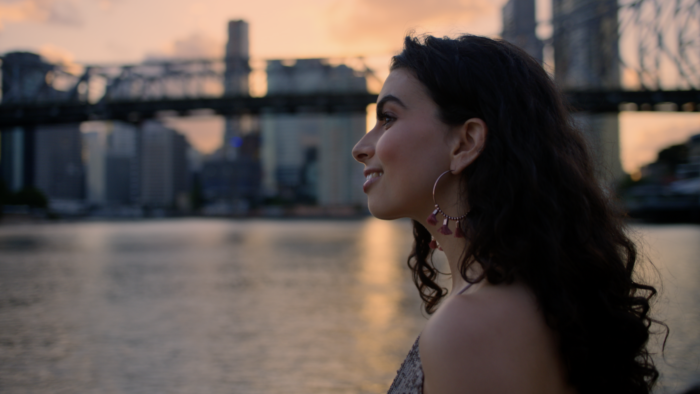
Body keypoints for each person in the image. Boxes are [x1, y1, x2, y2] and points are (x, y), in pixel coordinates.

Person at [352, 35, 662, 394]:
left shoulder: (471, 326)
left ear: (465, 143)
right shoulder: (528, 296)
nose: (361, 148)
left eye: (388, 118)